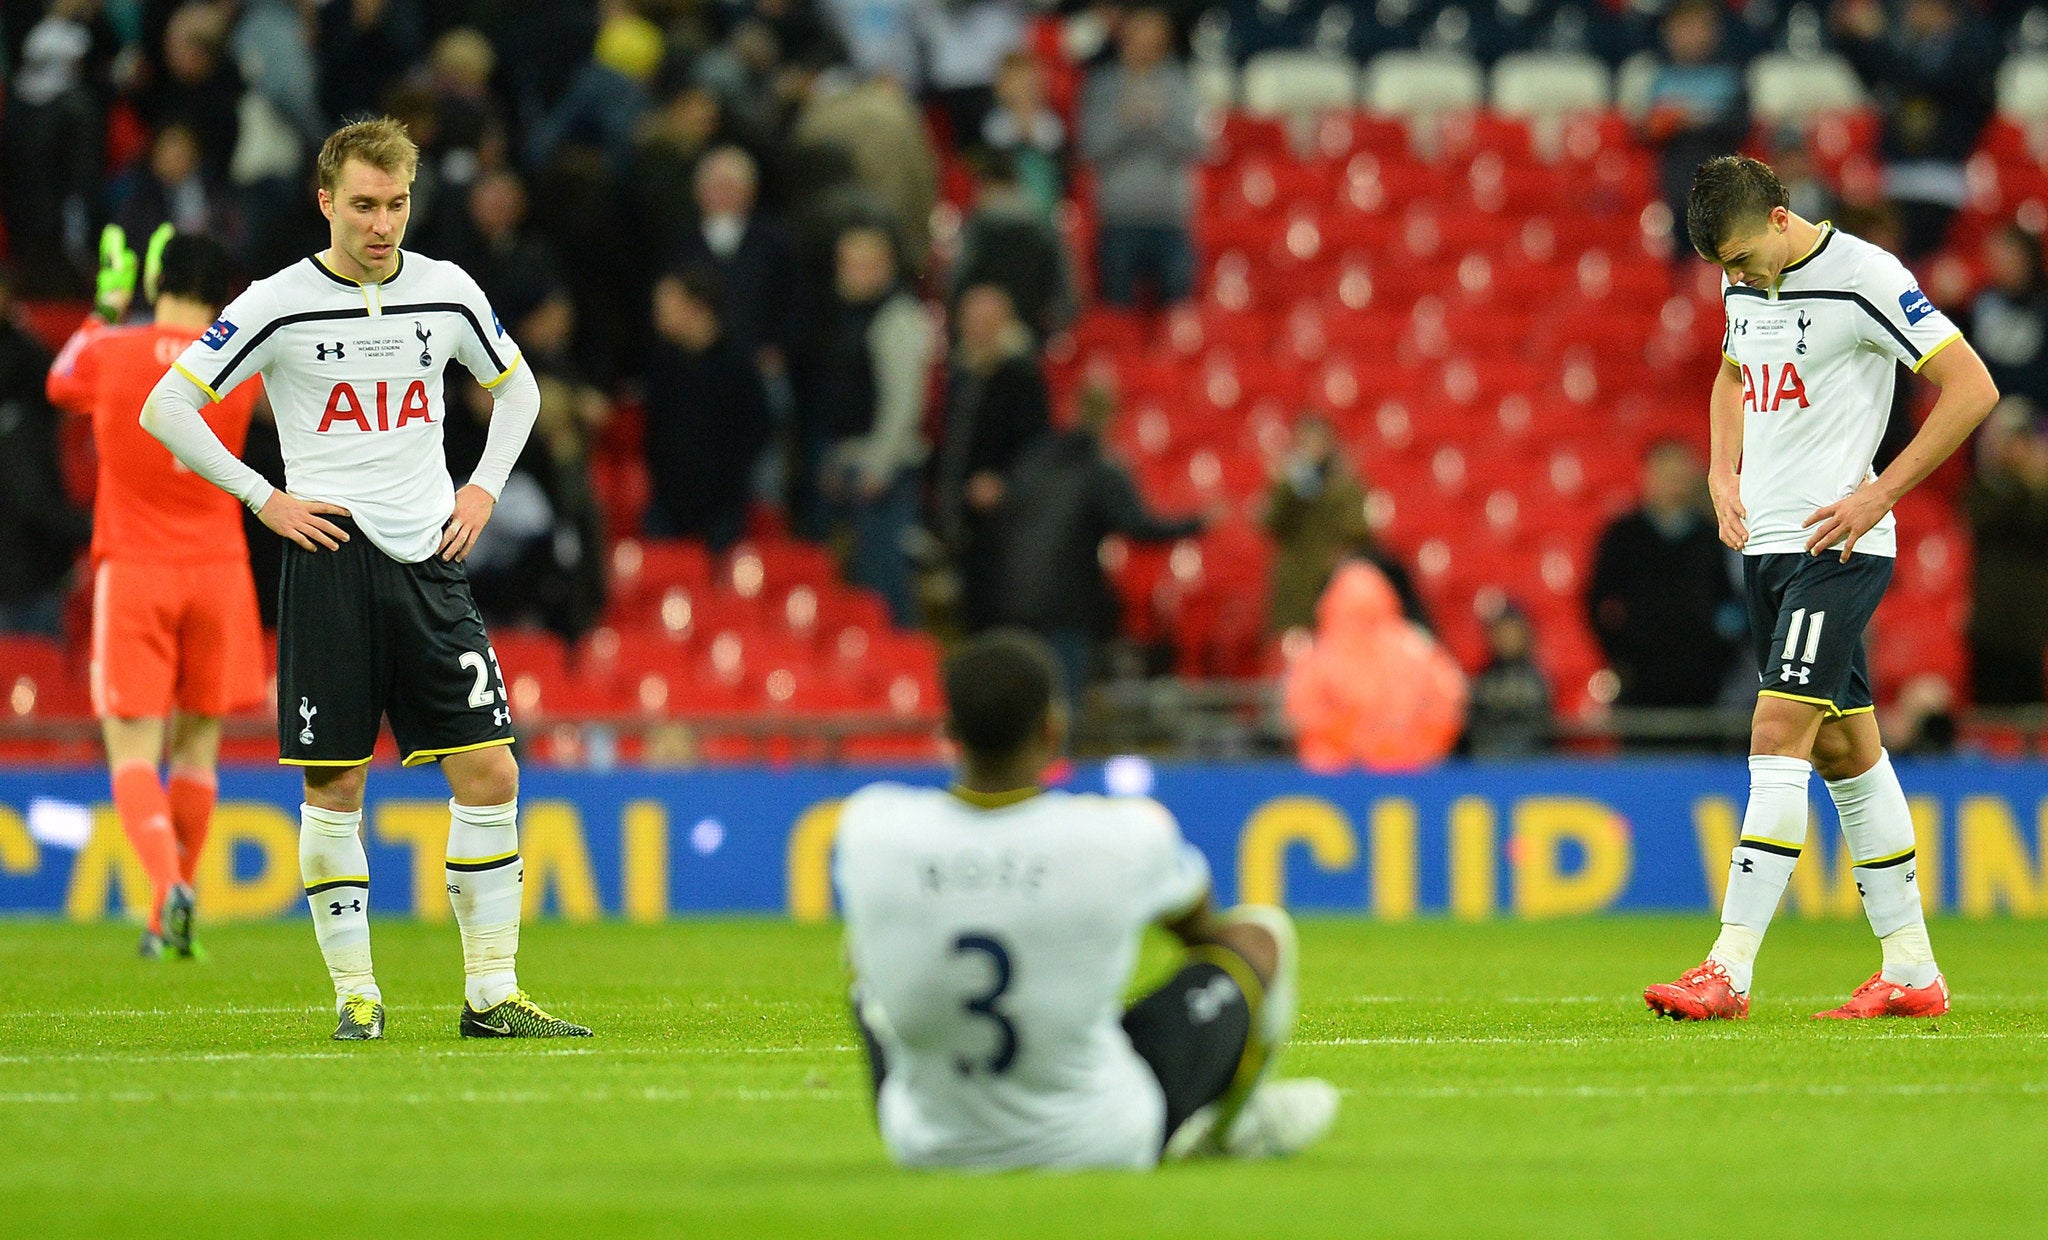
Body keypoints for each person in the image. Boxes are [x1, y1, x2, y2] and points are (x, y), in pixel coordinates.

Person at [138, 117, 589, 1042]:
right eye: (365, 206)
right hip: (329, 559)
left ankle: (492, 994)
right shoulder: (277, 303)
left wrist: (483, 490)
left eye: (397, 205)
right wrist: (263, 497)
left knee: (492, 771)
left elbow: (522, 391)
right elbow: (169, 404)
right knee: (335, 787)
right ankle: (356, 994)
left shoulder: (447, 291)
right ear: (326, 203)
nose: (383, 225)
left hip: (431, 559)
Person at [1644, 155, 1999, 1022]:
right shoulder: (1743, 285)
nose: (1734, 279)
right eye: (1722, 269)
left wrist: (1879, 492)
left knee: (1777, 731)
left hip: (1837, 547)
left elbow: (1973, 387)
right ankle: (1912, 970)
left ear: (1778, 218)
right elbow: (1731, 377)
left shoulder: (1868, 278)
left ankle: (1727, 969)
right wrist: (1723, 472)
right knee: (1846, 752)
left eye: (1738, 259)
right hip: (1765, 546)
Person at [833, 629, 1338, 1169]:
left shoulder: (872, 826)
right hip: (1098, 1140)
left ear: (949, 730)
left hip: (923, 1142)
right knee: (1260, 935)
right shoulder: (1120, 834)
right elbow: (1198, 928)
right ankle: (1234, 1131)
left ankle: (948, 1100)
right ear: (1054, 728)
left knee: (863, 954)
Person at [46, 227, 263, 959]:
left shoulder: (113, 351)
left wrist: (108, 306)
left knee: (133, 749)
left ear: (156, 279)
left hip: (134, 569)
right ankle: (171, 913)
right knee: (199, 749)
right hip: (218, 569)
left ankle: (166, 885)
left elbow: (58, 380)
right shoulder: (235, 365)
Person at [995, 385, 1206, 711]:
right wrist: (1198, 524)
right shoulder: (1099, 469)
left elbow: (1007, 514)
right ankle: (1059, 757)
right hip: (1068, 601)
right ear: (1110, 421)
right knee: (1063, 702)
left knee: (1026, 700)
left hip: (1017, 595)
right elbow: (1140, 528)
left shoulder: (1032, 461)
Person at [809, 225, 933, 627]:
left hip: (881, 468)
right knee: (842, 582)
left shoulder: (898, 317)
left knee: (883, 580)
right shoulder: (837, 311)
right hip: (840, 455)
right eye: (848, 263)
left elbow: (903, 403)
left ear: (887, 267)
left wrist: (879, 465)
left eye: (867, 264)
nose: (855, 273)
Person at [1586, 440, 1744, 711]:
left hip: (1702, 683)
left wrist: (1720, 653)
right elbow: (1596, 600)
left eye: (1681, 476)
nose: (1675, 484)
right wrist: (1618, 654)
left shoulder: (1710, 535)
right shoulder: (1623, 535)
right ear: (1649, 477)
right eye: (1668, 475)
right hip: (1639, 681)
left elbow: (1730, 602)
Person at [935, 283, 1050, 633]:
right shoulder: (963, 373)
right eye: (970, 320)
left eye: (986, 320)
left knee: (995, 609)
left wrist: (1005, 482)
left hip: (1006, 522)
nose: (976, 329)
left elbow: (1037, 447)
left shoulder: (1021, 377)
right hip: (964, 512)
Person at [1080, 6, 1204, 309]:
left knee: (1179, 316)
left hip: (1171, 219)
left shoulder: (1179, 82)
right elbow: (1090, 148)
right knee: (1117, 315)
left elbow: (1196, 145)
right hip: (1119, 219)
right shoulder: (1103, 84)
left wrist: (1158, 121)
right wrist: (1125, 122)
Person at [643, 265, 773, 551]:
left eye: (668, 305)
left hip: (722, 507)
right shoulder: (662, 362)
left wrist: (728, 473)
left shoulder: (737, 365)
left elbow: (757, 427)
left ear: (697, 307)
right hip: (667, 503)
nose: (659, 315)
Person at [0, 266, 93, 635]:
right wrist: (94, 528)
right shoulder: (20, 421)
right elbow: (34, 500)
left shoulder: (24, 359)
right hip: (22, 584)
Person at [1963, 397, 2048, 705]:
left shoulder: (2040, 493)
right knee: (1990, 717)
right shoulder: (1983, 490)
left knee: (2030, 721)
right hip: (1990, 628)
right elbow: (1985, 518)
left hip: (2033, 630)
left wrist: (2036, 479)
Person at [1462, 601, 1553, 759]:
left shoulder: (1541, 679)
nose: (1506, 638)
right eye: (1500, 631)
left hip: (1532, 762)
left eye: (1512, 630)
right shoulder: (1482, 680)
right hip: (1486, 763)